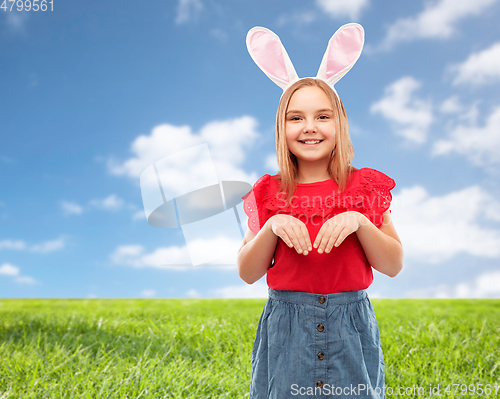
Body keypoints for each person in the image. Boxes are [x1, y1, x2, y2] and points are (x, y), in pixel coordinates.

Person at [238, 24, 404, 398]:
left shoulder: (364, 187)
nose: (309, 127)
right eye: (296, 118)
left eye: (322, 116)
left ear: (339, 122)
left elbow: (393, 264)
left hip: (350, 323)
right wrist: (272, 227)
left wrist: (361, 222)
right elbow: (247, 272)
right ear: (281, 127)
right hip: (287, 326)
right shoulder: (269, 191)